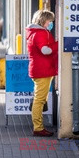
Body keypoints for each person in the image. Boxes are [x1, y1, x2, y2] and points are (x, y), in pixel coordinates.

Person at [25, 9, 58, 137]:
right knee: (39, 100)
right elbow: (45, 50)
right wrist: (58, 44)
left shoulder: (34, 32)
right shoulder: (40, 33)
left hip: (39, 69)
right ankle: (38, 128)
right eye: (50, 21)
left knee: (40, 99)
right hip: (42, 70)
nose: (51, 24)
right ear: (44, 20)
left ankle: (38, 124)